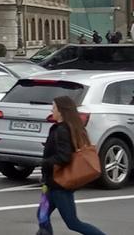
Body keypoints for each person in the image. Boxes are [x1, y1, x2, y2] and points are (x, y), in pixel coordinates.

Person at [37, 96, 106, 235]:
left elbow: (64, 157)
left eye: (54, 107)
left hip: (60, 185)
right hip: (51, 183)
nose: (52, 109)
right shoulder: (62, 128)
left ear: (61, 111)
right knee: (42, 216)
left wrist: (44, 162)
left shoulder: (62, 130)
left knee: (73, 223)